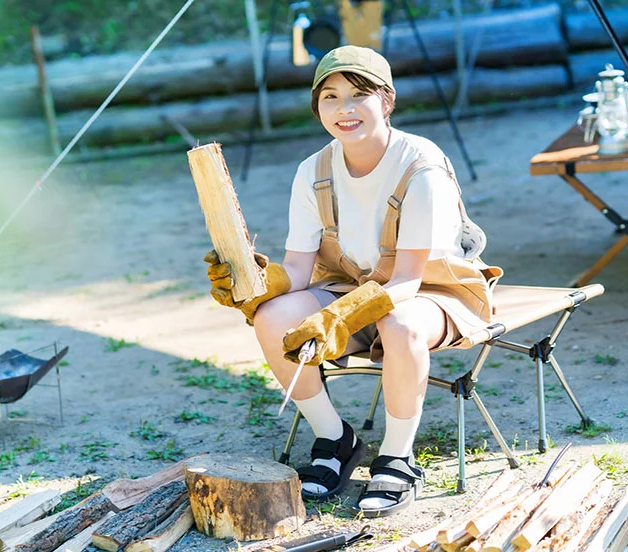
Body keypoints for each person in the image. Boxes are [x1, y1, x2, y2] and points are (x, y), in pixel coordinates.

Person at [204, 45, 501, 517]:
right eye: (330, 96)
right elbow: (299, 270)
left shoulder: (419, 166)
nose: (344, 109)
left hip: (433, 293)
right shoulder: (313, 171)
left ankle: (399, 456)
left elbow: (407, 278)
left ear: (386, 101)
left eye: (359, 95)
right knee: (273, 315)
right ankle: (335, 438)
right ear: (317, 106)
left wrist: (340, 316)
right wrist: (254, 283)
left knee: (399, 323)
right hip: (354, 285)